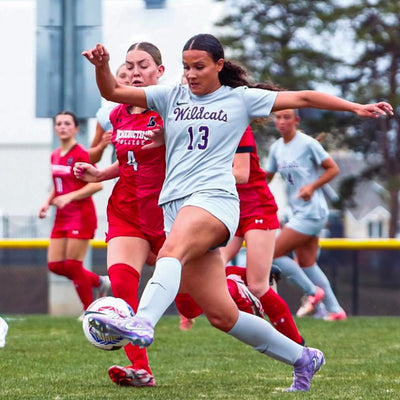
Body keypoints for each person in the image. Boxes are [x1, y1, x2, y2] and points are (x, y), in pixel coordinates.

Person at [81, 34, 392, 392]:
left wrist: (355, 107)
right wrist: (102, 66)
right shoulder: (170, 96)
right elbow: (113, 92)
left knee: (170, 253)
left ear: (219, 65)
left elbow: (304, 97)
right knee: (222, 315)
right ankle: (303, 358)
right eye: (186, 67)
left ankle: (143, 322)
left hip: (214, 201)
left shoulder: (240, 98)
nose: (191, 74)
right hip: (175, 206)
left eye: (199, 66)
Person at [74, 42, 166, 388]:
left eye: (143, 65)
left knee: (196, 305)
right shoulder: (117, 114)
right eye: (129, 66)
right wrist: (99, 173)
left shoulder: (171, 109)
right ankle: (141, 370)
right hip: (126, 212)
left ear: (160, 71)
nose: (135, 73)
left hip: (167, 214)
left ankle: (234, 282)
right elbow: (128, 161)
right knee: (124, 286)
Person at [177, 125, 305, 345]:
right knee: (201, 279)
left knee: (258, 287)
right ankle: (245, 276)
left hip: (256, 208)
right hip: (227, 209)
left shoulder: (236, 125)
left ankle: (300, 347)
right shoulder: (199, 126)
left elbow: (241, 174)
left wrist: (199, 175)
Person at [266, 108, 347, 321]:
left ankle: (313, 292)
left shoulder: (308, 144)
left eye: (287, 117)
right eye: (278, 117)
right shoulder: (276, 148)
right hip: (297, 213)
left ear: (296, 120)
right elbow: (266, 178)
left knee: (272, 254)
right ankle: (336, 311)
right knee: (307, 264)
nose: (282, 121)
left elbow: (332, 169)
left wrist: (312, 187)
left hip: (312, 212)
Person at [39, 111, 108, 317]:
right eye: (59, 123)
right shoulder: (55, 155)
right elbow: (59, 184)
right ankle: (99, 281)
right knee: (55, 265)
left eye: (67, 123)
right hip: (61, 216)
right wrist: (47, 202)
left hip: (80, 215)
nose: (62, 127)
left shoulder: (81, 154)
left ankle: (90, 311)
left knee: (73, 265)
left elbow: (97, 184)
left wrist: (69, 197)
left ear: (76, 128)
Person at [88, 63, 131, 164]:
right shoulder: (106, 114)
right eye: (122, 76)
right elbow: (91, 158)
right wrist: (102, 145)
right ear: (115, 80)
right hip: (119, 172)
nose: (127, 80)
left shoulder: (153, 107)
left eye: (131, 76)